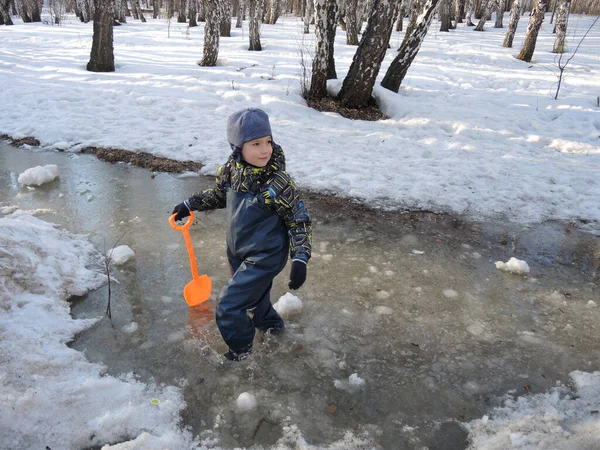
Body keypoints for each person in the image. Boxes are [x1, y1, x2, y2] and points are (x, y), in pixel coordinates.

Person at [172, 108, 312, 361]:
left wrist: (300, 258)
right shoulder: (231, 171)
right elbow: (218, 195)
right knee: (255, 301)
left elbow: (299, 219)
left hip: (266, 254)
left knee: (229, 306)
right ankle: (273, 329)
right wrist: (189, 203)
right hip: (238, 251)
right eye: (256, 143)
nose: (265, 150)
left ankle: (241, 353)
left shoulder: (278, 183)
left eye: (268, 141)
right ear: (238, 148)